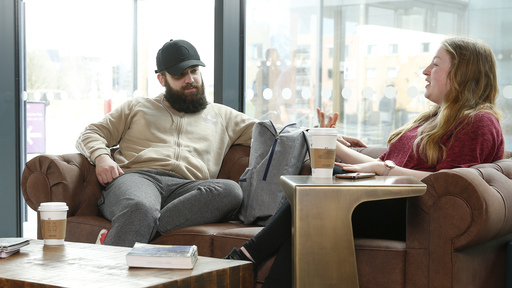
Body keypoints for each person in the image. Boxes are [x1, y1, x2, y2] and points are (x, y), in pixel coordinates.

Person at [225, 36, 505, 288]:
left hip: (414, 214)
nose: (425, 72)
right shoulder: (433, 120)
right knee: (312, 204)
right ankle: (261, 270)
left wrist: (383, 169)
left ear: (462, 74)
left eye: (435, 65)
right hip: (387, 201)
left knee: (314, 198)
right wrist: (330, 142)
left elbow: (451, 186)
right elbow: (381, 163)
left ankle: (246, 256)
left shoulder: (479, 122)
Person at [76, 39, 258, 247]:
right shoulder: (138, 107)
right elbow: (91, 132)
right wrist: (101, 157)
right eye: (179, 75)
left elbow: (270, 133)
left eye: (194, 71)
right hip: (139, 180)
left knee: (230, 191)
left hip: (188, 190)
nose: (190, 79)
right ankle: (110, 273)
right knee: (140, 207)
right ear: (162, 79)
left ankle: (132, 231)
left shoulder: (222, 116)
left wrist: (304, 138)